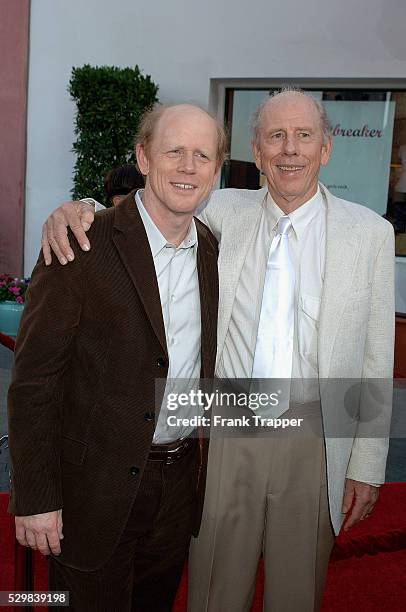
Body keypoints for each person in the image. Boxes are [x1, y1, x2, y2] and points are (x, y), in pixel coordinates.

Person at [39, 89, 395, 611]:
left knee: (297, 593)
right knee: (213, 591)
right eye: (275, 136)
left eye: (303, 136)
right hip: (225, 427)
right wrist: (79, 210)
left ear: (326, 149)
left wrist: (366, 461)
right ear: (257, 148)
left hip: (317, 433)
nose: (289, 149)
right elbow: (151, 208)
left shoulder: (371, 234)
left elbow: (374, 357)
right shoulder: (224, 210)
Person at [8, 103, 226, 611]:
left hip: (177, 488)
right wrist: (37, 498)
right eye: (174, 151)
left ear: (217, 169)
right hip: (92, 489)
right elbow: (35, 381)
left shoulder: (214, 249)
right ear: (143, 157)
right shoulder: (81, 244)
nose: (188, 166)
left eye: (202, 155)